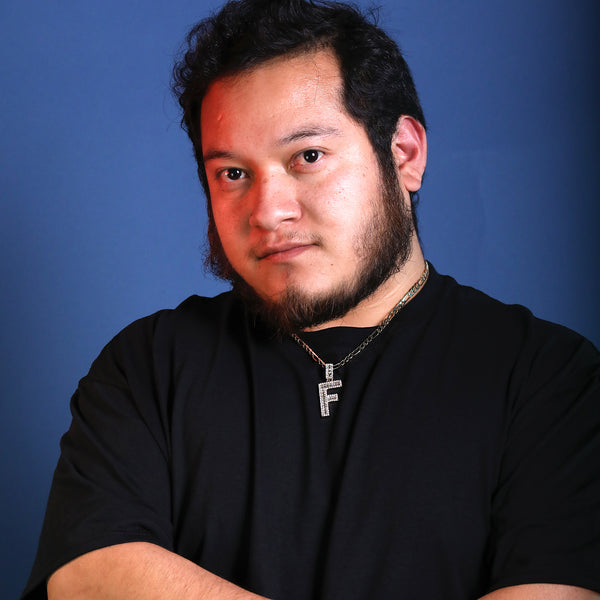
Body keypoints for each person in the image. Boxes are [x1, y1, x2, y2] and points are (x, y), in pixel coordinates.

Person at [22, 0, 600, 598]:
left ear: (404, 153)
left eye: (308, 157)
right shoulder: (148, 366)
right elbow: (86, 575)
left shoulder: (547, 378)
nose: (268, 212)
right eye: (232, 174)